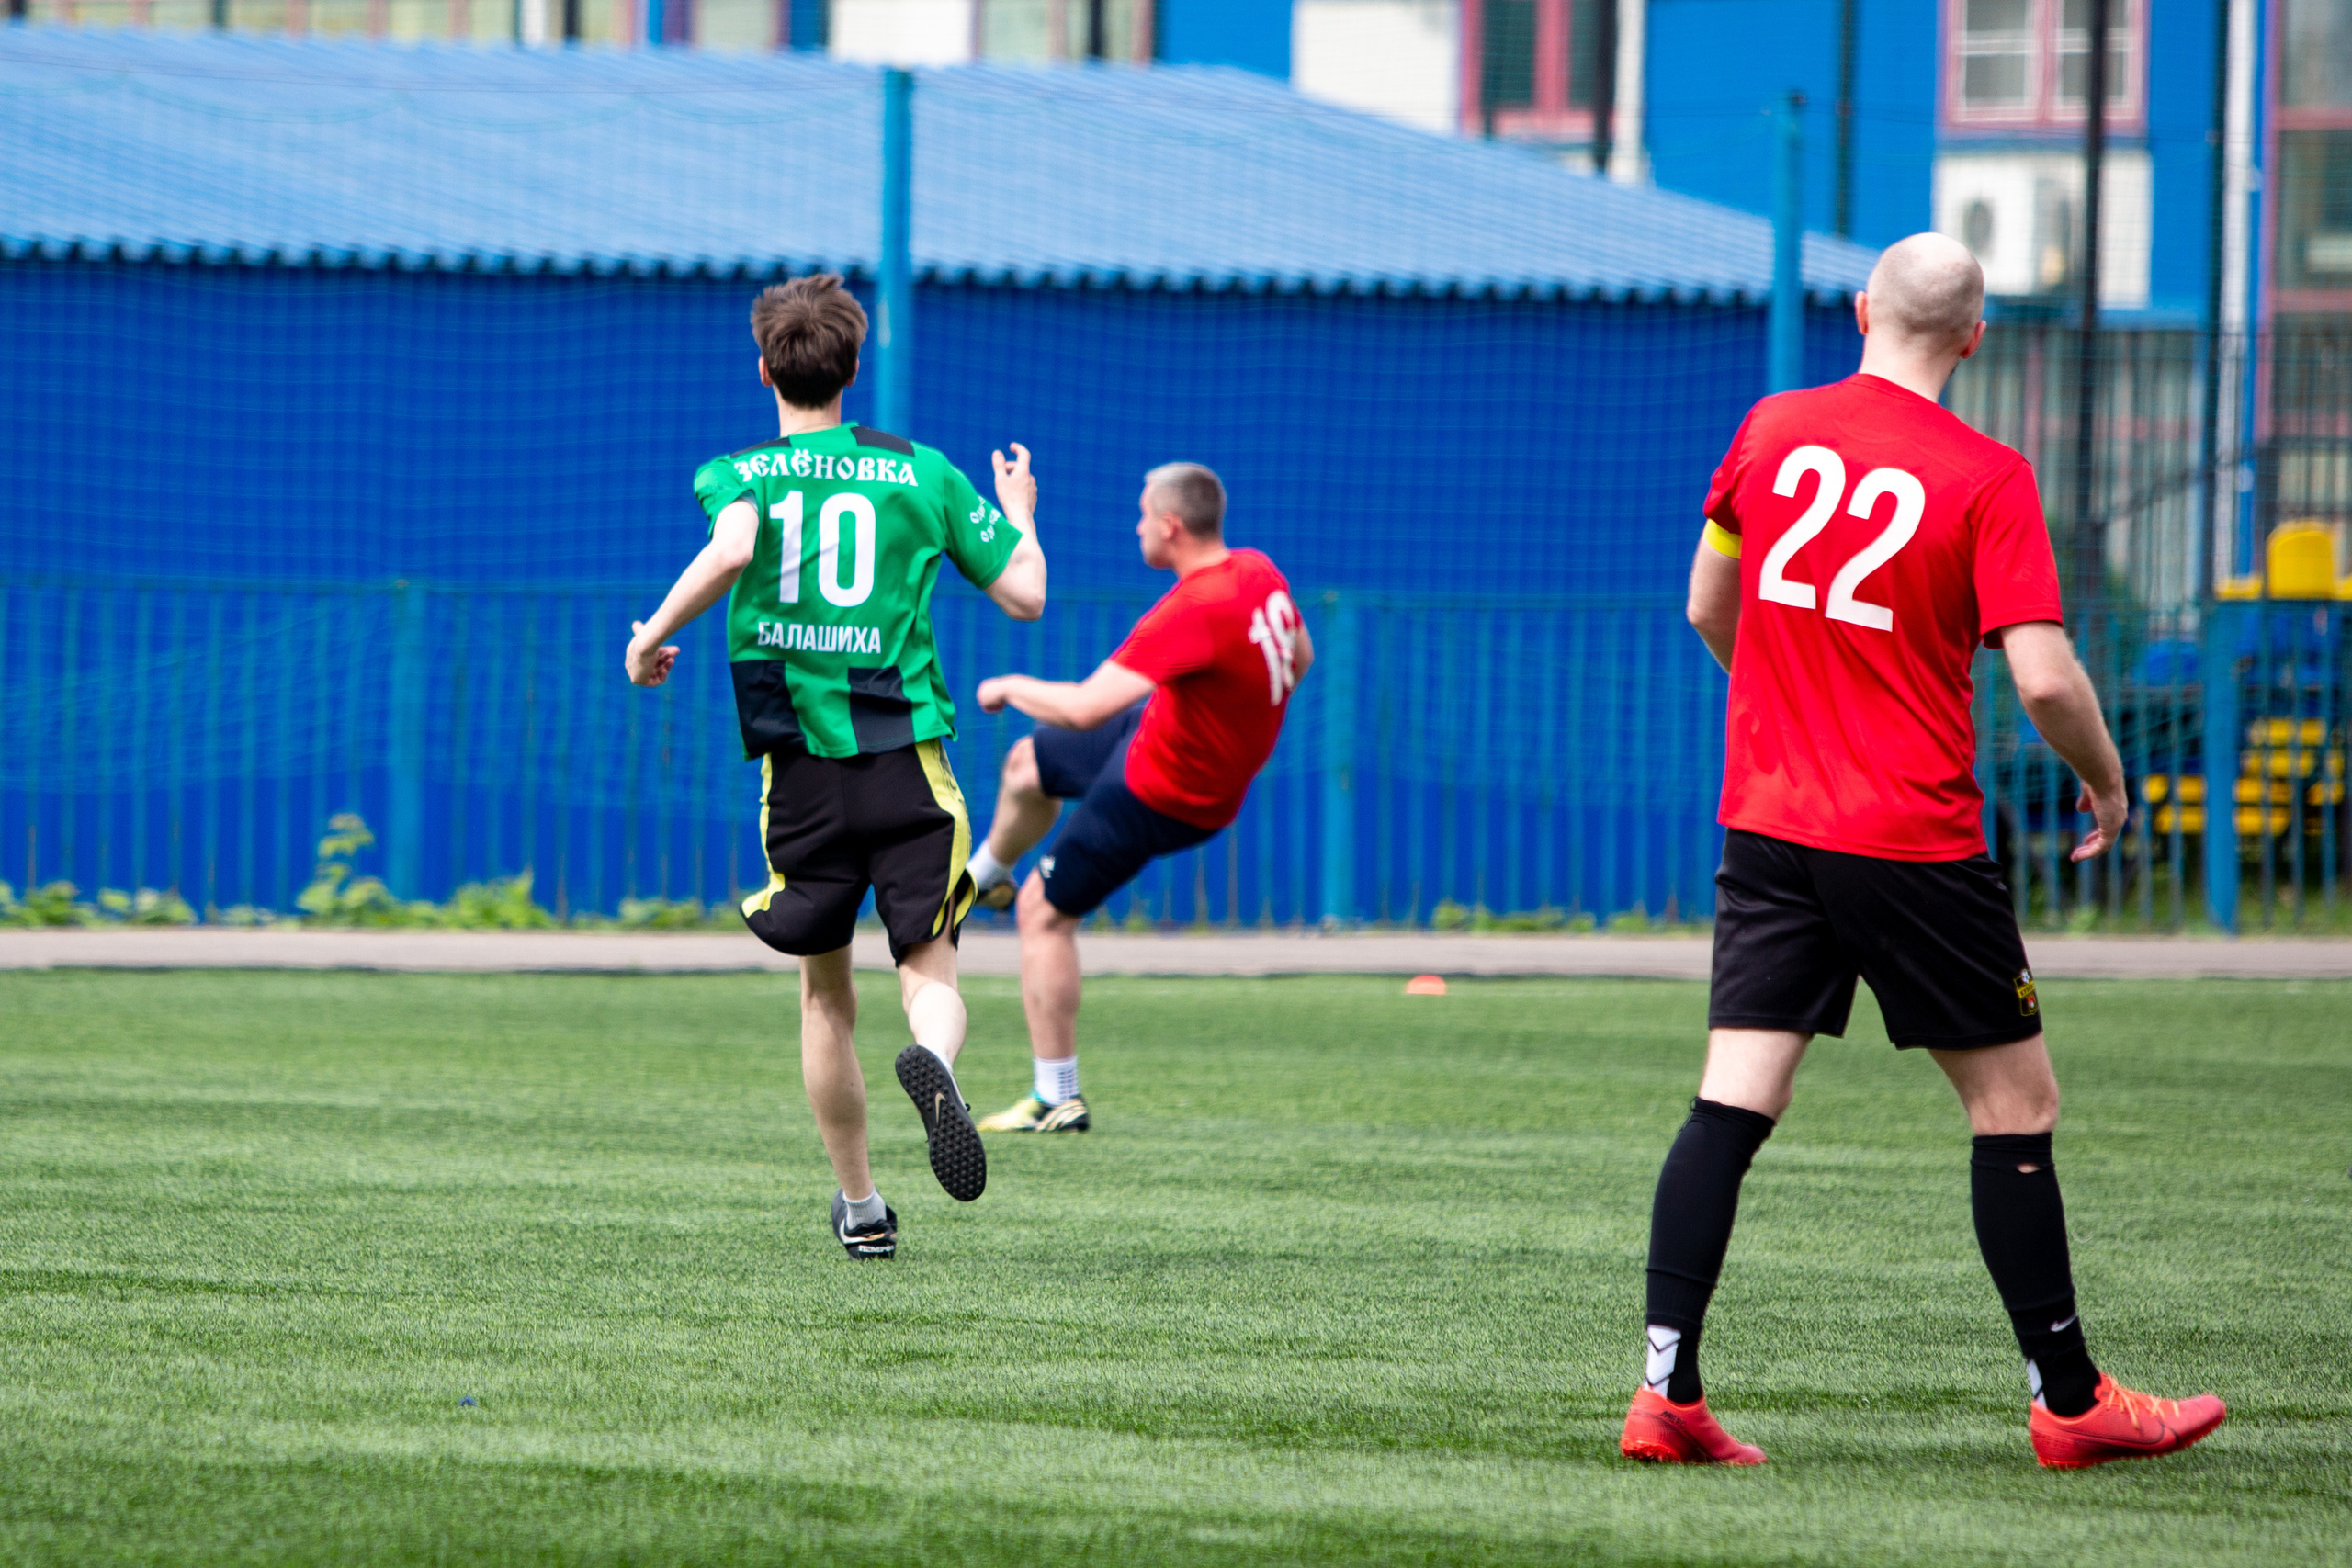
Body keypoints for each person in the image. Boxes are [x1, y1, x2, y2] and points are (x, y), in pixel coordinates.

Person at [1623, 234, 2225, 1470]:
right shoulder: (1986, 474)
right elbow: (2046, 675)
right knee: (2015, 1104)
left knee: (1732, 1097)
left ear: (1859, 311)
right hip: (1910, 832)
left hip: (1772, 821)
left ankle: (1664, 1386)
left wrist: (1793, 709)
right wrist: (2108, 781)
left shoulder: (1770, 428)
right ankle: (2070, 1400)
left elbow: (1704, 602)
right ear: (1975, 338)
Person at [624, 273, 1046, 1260]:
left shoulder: (738, 474)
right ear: (855, 367)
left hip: (801, 773)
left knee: (824, 994)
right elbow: (1024, 597)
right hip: (909, 764)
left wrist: (647, 638)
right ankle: (933, 1062)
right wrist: (1017, 510)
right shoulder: (922, 472)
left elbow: (731, 551)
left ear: (765, 368)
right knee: (927, 966)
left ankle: (860, 1209)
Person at [961, 463, 1309, 1134]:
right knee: (1026, 763)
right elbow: (1300, 657)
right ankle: (988, 875)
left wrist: (1007, 686)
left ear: (1171, 526)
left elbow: (1087, 707)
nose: (1137, 525)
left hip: (1164, 792)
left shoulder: (1192, 608)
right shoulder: (1258, 571)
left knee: (1044, 914)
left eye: (1143, 514)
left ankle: (1055, 1095)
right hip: (1159, 733)